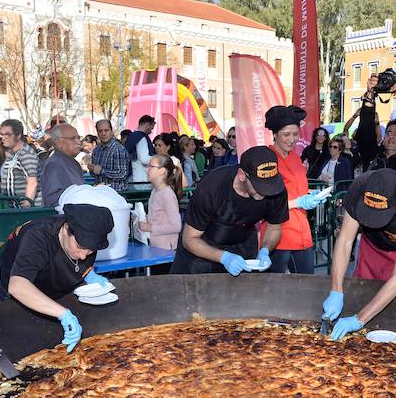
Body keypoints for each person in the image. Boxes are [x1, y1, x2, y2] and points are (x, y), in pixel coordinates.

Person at [321, 169, 396, 340]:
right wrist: (336, 290)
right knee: (362, 293)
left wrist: (359, 319)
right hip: (373, 248)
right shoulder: (360, 186)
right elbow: (345, 241)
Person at [0, 204, 114, 353]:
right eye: (80, 246)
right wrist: (63, 314)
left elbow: (78, 261)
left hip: (51, 289)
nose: (84, 256)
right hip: (14, 297)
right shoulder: (37, 236)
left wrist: (87, 273)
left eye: (91, 250)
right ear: (65, 229)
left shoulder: (86, 234)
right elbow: (17, 286)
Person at [170, 146, 289, 275]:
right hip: (202, 249)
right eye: (259, 186)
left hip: (242, 245)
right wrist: (224, 257)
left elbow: (274, 227)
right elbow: (189, 239)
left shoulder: (276, 189)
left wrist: (265, 250)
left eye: (269, 184)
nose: (266, 191)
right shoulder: (212, 186)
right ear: (242, 175)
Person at [260, 105, 329, 275]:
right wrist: (299, 202)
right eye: (286, 135)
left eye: (295, 134)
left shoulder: (295, 157)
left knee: (307, 285)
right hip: (277, 235)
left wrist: (311, 194)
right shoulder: (266, 160)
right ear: (275, 134)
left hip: (302, 233)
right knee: (273, 286)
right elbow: (266, 204)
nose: (292, 139)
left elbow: (296, 188)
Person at [133, 154, 183, 250]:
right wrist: (141, 218)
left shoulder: (168, 194)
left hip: (166, 250)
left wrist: (149, 228)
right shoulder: (155, 191)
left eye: (151, 167)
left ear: (162, 171)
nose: (147, 170)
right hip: (155, 246)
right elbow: (157, 217)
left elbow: (176, 226)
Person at [41, 124, 85, 207]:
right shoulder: (54, 165)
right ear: (58, 142)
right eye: (72, 139)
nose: (78, 142)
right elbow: (53, 201)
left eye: (78, 138)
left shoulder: (72, 162)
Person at [0, 119, 40, 206]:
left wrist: (27, 204)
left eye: (7, 134)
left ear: (18, 135)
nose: (3, 137)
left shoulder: (26, 154)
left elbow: (32, 182)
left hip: (29, 208)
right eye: (1, 134)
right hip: (15, 206)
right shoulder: (12, 153)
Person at [91, 120, 130, 192]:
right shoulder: (96, 150)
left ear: (111, 131)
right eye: (100, 131)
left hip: (116, 193)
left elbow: (122, 174)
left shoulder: (118, 149)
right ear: (97, 132)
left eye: (106, 130)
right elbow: (95, 174)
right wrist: (92, 169)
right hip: (100, 192)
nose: (103, 133)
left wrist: (101, 171)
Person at [123, 115, 156, 183]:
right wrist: (158, 157)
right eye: (151, 128)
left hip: (131, 176)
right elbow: (144, 159)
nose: (151, 131)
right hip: (142, 178)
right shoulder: (142, 137)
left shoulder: (131, 136)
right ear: (148, 125)